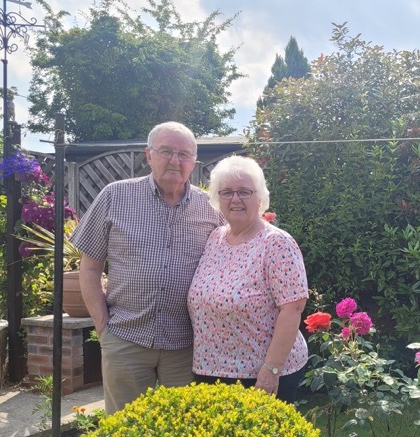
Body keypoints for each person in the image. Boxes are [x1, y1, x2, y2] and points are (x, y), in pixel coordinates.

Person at [72, 121, 225, 414]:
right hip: (126, 338)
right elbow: (90, 267)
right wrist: (103, 327)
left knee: (183, 432)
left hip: (186, 344)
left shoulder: (212, 208)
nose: (174, 160)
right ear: (148, 155)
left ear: (194, 161)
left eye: (184, 154)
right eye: (165, 151)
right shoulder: (115, 196)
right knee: (124, 431)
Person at [187, 155, 308, 402]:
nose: (235, 199)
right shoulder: (215, 239)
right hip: (209, 370)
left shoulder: (276, 243)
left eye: (244, 192)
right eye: (227, 192)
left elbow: (293, 308)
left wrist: (271, 369)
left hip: (259, 375)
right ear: (217, 198)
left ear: (260, 198)